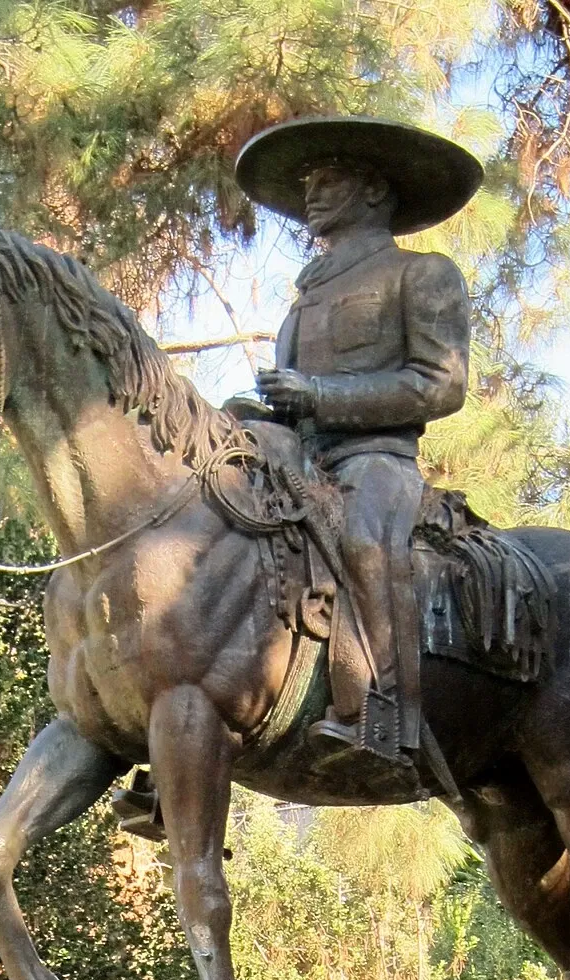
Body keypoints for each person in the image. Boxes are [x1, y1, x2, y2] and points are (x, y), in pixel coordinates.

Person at [232, 115, 482, 753]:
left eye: (329, 179)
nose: (311, 193)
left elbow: (441, 384)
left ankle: (382, 715)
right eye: (307, 183)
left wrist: (320, 395)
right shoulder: (304, 299)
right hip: (298, 461)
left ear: (374, 190)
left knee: (365, 540)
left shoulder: (421, 274)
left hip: (375, 458)